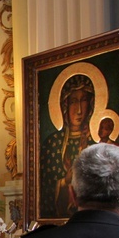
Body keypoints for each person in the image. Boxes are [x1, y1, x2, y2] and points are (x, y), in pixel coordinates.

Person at [40, 74, 96, 218]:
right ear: (64, 105)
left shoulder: (96, 144)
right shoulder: (52, 143)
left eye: (83, 101)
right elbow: (43, 188)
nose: (79, 110)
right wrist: (64, 181)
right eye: (73, 102)